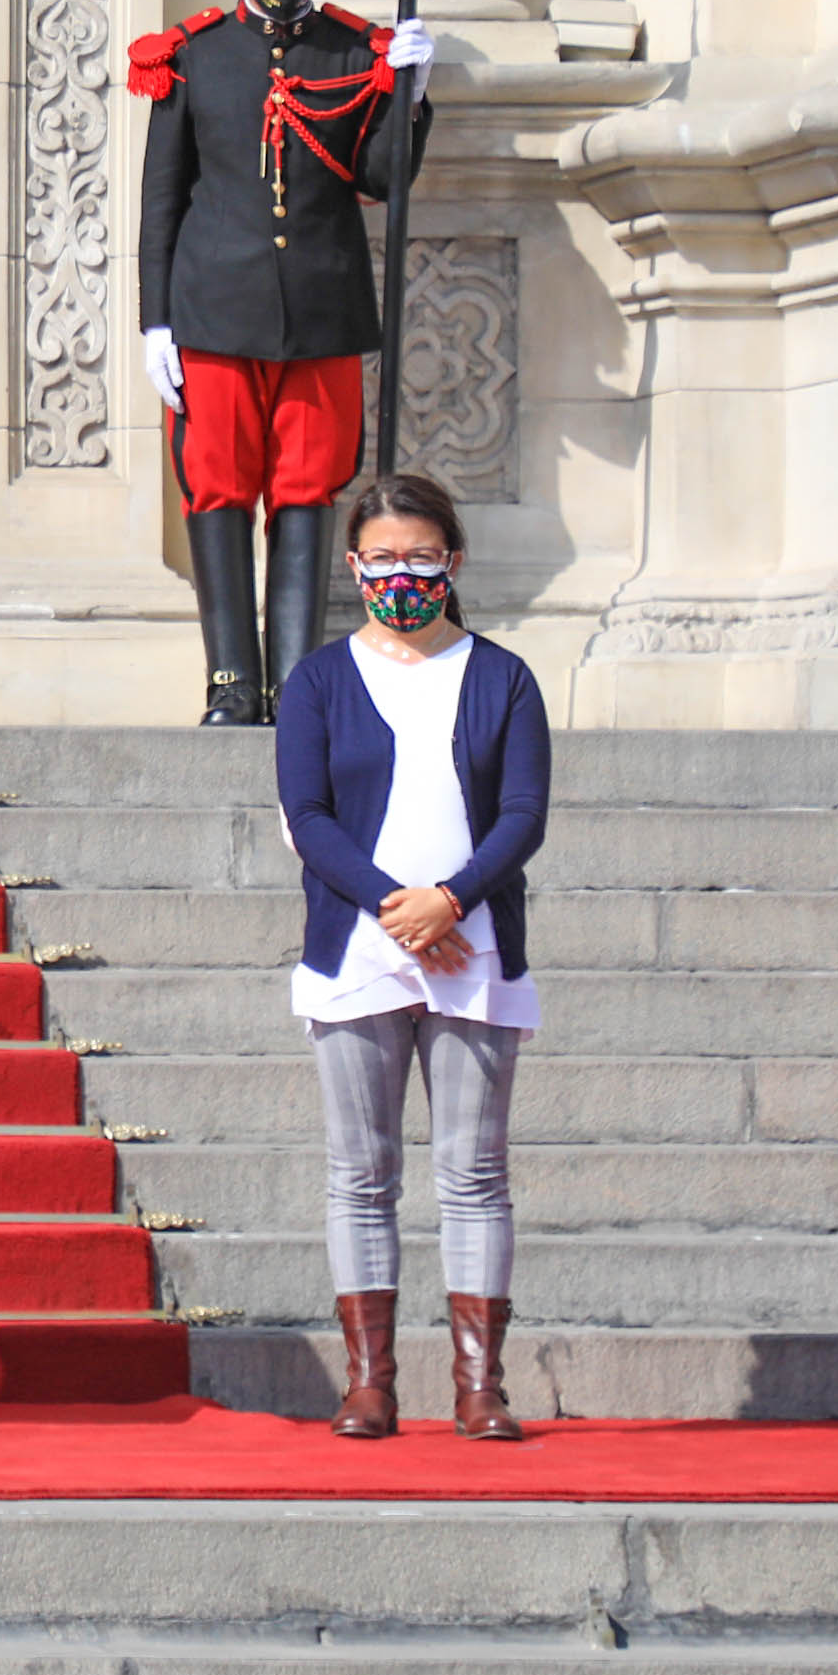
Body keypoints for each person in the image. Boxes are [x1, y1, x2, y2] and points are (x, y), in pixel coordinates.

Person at [131, 0, 438, 724]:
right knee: (219, 490)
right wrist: (157, 321)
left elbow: (382, 180)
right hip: (212, 308)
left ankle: (298, 685)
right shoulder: (193, 55)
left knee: (305, 492)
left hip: (320, 309)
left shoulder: (354, 55)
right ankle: (232, 682)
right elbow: (163, 200)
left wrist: (411, 99)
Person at [273, 469, 551, 1443]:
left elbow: (523, 814)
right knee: (362, 1173)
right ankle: (370, 1384)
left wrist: (453, 902)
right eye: (383, 558)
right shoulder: (316, 680)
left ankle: (480, 1386)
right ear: (353, 565)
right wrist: (400, 911)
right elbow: (307, 816)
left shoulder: (504, 677)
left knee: (474, 1173)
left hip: (473, 947)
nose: (402, 574)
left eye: (420, 557)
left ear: (454, 560)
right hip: (358, 948)